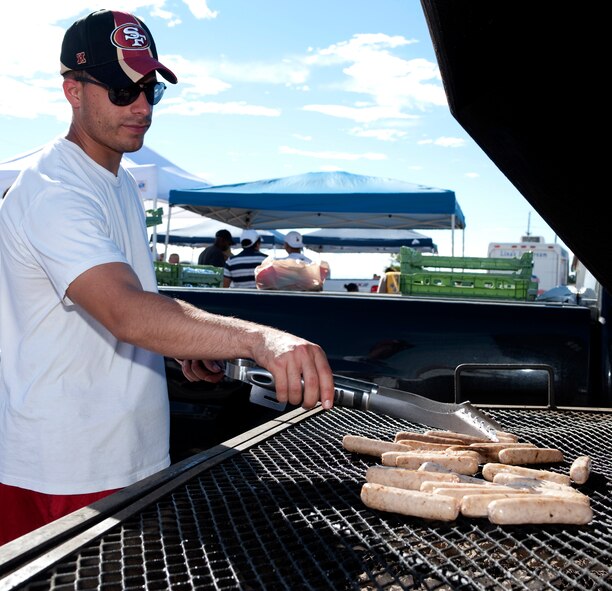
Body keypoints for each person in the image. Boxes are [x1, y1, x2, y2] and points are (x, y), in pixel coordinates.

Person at [0, 9, 334, 547]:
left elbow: (117, 310)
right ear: (72, 90)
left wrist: (181, 347)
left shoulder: (120, 184)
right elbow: (125, 311)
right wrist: (258, 340)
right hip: (61, 471)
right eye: (120, 87)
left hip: (128, 459)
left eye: (150, 90)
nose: (139, 106)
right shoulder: (54, 189)